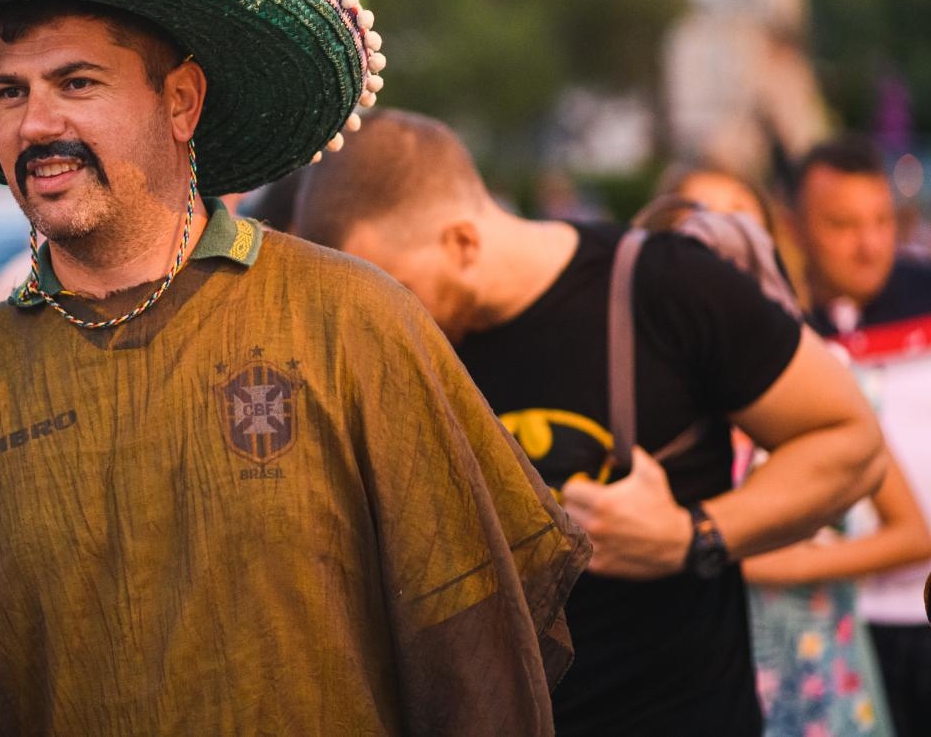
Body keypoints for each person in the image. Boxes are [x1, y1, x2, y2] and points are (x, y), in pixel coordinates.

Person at [0, 0, 589, 736]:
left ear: (181, 102)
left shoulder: (352, 324)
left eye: (77, 83)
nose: (36, 123)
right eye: (9, 92)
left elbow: (476, 663)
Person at [294, 109, 887, 737]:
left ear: (462, 242)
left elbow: (851, 441)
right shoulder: (408, 355)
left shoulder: (662, 284)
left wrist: (693, 534)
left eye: (395, 289)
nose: (379, 320)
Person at [671, 162, 924, 736]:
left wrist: (771, 558)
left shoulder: (819, 374)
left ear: (767, 243)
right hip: (698, 674)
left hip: (813, 674)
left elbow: (913, 532)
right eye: (698, 227)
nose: (720, 244)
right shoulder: (647, 389)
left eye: (739, 224)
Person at [793, 135, 931, 737]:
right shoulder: (778, 324)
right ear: (795, 227)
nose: (869, 242)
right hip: (836, 624)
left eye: (881, 220)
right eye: (842, 224)